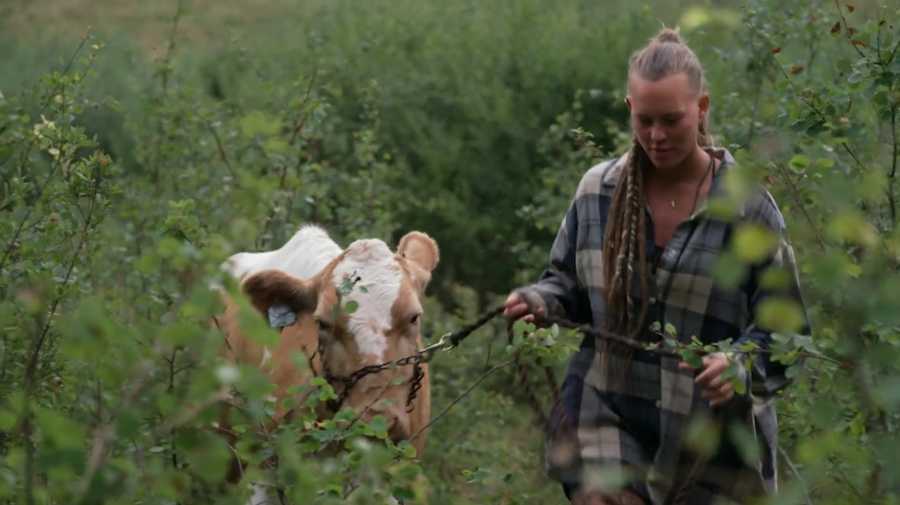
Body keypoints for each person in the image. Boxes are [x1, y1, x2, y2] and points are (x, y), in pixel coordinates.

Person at [504, 28, 809, 505]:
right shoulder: (597, 192)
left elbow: (788, 332)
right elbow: (566, 283)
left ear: (702, 107)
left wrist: (740, 364)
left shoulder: (748, 210)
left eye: (672, 119)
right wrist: (539, 301)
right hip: (605, 412)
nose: (657, 135)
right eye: (645, 120)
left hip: (708, 441)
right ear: (630, 109)